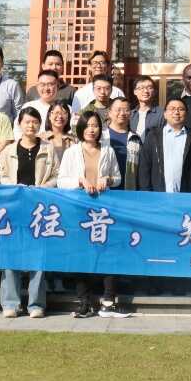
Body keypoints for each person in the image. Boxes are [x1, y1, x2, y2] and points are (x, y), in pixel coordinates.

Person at [56, 111, 124, 317]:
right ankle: (84, 301)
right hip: (79, 210)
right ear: (80, 129)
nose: (91, 129)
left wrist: (108, 180)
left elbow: (118, 178)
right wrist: (79, 181)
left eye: (95, 125)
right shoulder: (72, 152)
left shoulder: (108, 151)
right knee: (80, 254)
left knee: (108, 252)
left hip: (103, 210)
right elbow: (61, 181)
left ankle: (109, 300)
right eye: (87, 125)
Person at [0, 107, 56, 318]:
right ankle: (11, 303)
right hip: (14, 209)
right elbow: (2, 175)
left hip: (39, 209)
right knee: (10, 255)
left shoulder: (48, 149)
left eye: (35, 122)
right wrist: (15, 189)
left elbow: (56, 175)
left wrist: (42, 188)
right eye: (27, 122)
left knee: (38, 257)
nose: (31, 126)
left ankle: (36, 304)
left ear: (39, 124)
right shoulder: (9, 151)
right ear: (19, 124)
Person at [139, 98, 191, 193]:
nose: (176, 112)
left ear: (186, 114)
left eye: (181, 109)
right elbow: (144, 166)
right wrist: (147, 192)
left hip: (186, 195)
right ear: (165, 114)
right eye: (172, 109)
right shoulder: (153, 135)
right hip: (157, 195)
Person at [101, 96, 144, 190]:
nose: (122, 113)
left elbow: (141, 170)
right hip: (104, 190)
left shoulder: (135, 139)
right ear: (109, 113)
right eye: (118, 110)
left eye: (126, 110)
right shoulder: (101, 136)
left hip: (128, 191)